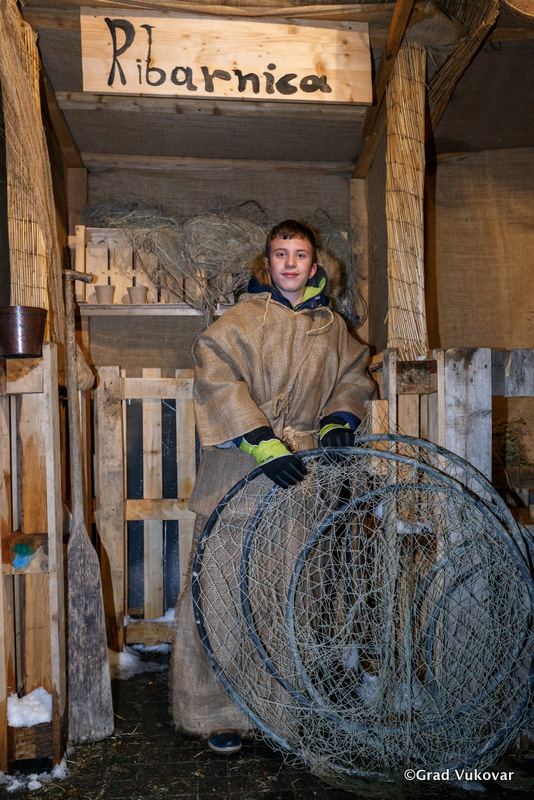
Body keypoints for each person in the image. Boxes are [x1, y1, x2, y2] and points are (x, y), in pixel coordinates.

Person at [170, 220, 376, 754]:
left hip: (300, 478)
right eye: (280, 253)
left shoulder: (332, 328)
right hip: (238, 473)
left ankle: (277, 712)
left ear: (314, 265)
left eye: (299, 254)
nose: (290, 263)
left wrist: (337, 419)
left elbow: (354, 376)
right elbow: (213, 375)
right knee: (221, 591)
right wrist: (260, 441)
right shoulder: (239, 320)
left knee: (289, 595)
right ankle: (215, 711)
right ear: (268, 261)